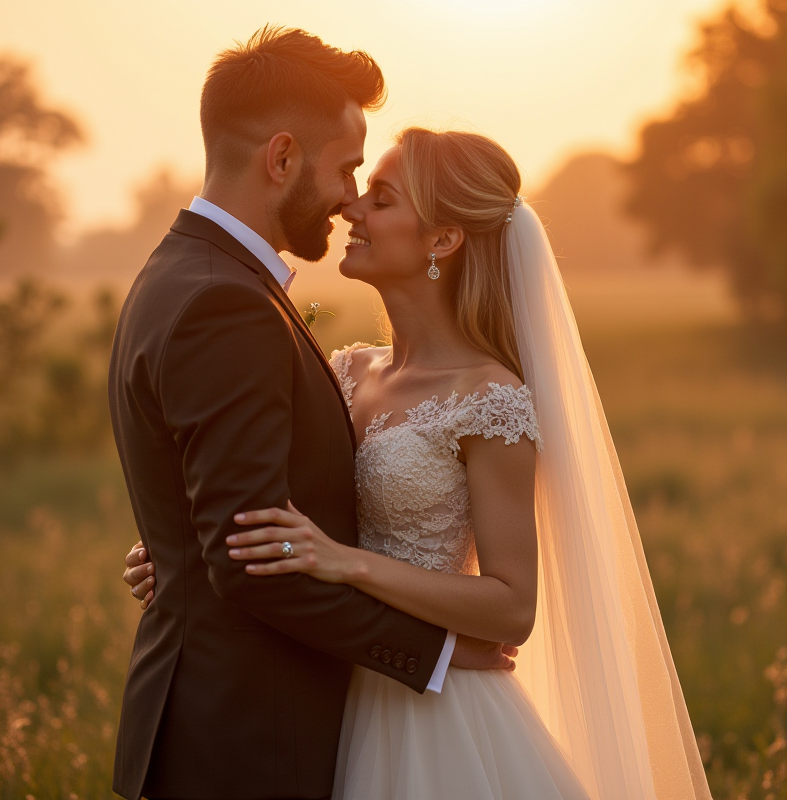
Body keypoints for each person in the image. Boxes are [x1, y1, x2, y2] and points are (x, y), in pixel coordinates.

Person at [122, 122, 713, 797]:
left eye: (381, 198)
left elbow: (513, 606)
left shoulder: (489, 399)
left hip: (436, 721)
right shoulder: (343, 371)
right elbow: (263, 508)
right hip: (331, 690)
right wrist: (188, 551)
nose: (352, 209)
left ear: (442, 240)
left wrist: (347, 562)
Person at [106, 28, 515, 800]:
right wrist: (428, 650)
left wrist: (191, 556)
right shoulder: (226, 303)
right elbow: (250, 564)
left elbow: (237, 527)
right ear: (282, 159)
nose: (351, 200)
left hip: (266, 724)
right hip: (243, 743)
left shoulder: (181, 273)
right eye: (347, 170)